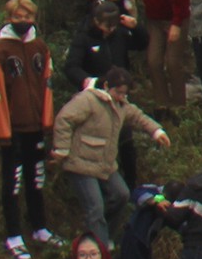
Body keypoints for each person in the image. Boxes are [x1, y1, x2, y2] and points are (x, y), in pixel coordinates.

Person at [48, 67, 166, 249]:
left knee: (122, 194)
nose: (120, 96)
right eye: (117, 92)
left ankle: (102, 235)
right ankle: (99, 250)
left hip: (105, 164)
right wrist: (62, 150)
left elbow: (138, 117)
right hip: (80, 164)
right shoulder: (87, 100)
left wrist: (156, 131)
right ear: (106, 86)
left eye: (124, 93)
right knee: (95, 207)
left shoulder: (122, 106)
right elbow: (64, 119)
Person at [0, 0, 56, 257]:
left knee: (36, 179)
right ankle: (13, 234)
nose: (23, 21)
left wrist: (47, 121)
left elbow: (47, 84)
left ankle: (39, 227)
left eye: (27, 16)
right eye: (17, 16)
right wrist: (4, 132)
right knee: (12, 183)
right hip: (12, 129)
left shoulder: (40, 46)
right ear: (9, 17)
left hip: (36, 126)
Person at [136, 0, 191, 109]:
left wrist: (176, 24)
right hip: (155, 20)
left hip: (174, 20)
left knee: (173, 63)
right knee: (154, 61)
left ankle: (179, 105)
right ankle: (162, 104)